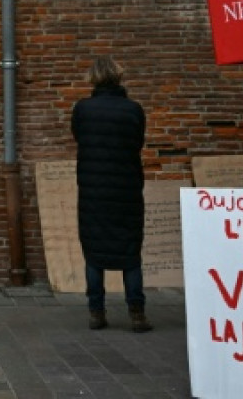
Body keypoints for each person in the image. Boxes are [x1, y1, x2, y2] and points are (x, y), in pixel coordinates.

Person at [71, 56, 151, 333]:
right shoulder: (133, 110)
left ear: (93, 78)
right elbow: (138, 143)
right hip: (127, 189)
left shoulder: (83, 110)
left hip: (93, 192)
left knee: (94, 254)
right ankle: (137, 313)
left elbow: (79, 138)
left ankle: (96, 312)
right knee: (130, 252)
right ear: (119, 77)